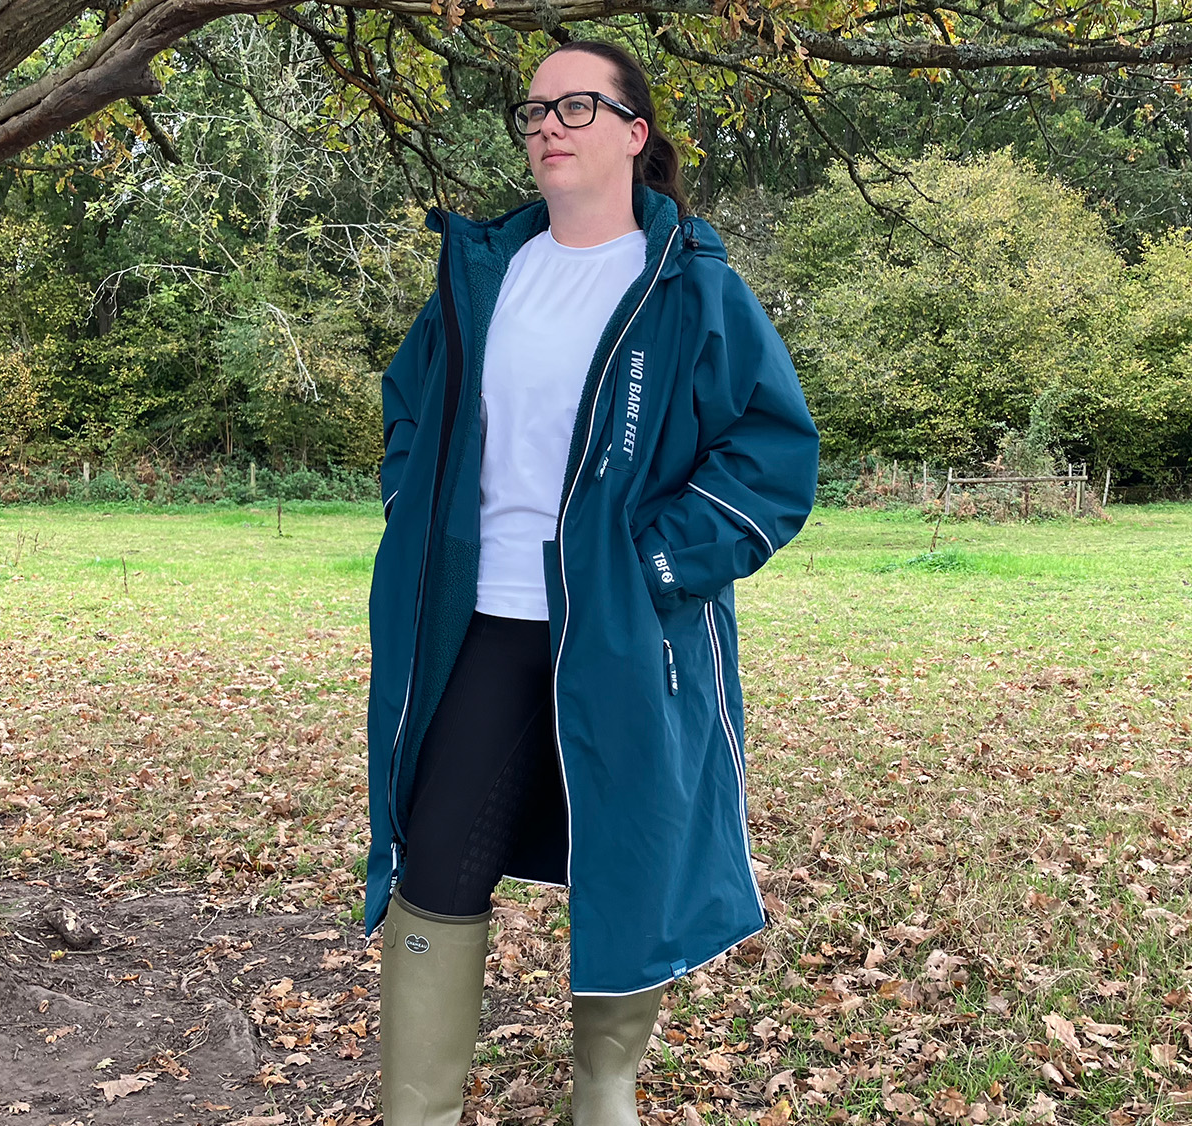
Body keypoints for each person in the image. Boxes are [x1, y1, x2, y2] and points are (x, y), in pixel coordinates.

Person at [363, 39, 819, 1126]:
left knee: (632, 863)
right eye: (531, 111)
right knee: (434, 869)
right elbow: (409, 412)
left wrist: (654, 561)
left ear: (633, 131)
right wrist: (410, 508)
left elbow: (772, 455)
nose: (547, 125)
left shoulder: (689, 285)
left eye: (575, 104)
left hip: (625, 634)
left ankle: (601, 1093)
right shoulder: (484, 272)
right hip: (481, 627)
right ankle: (413, 1112)